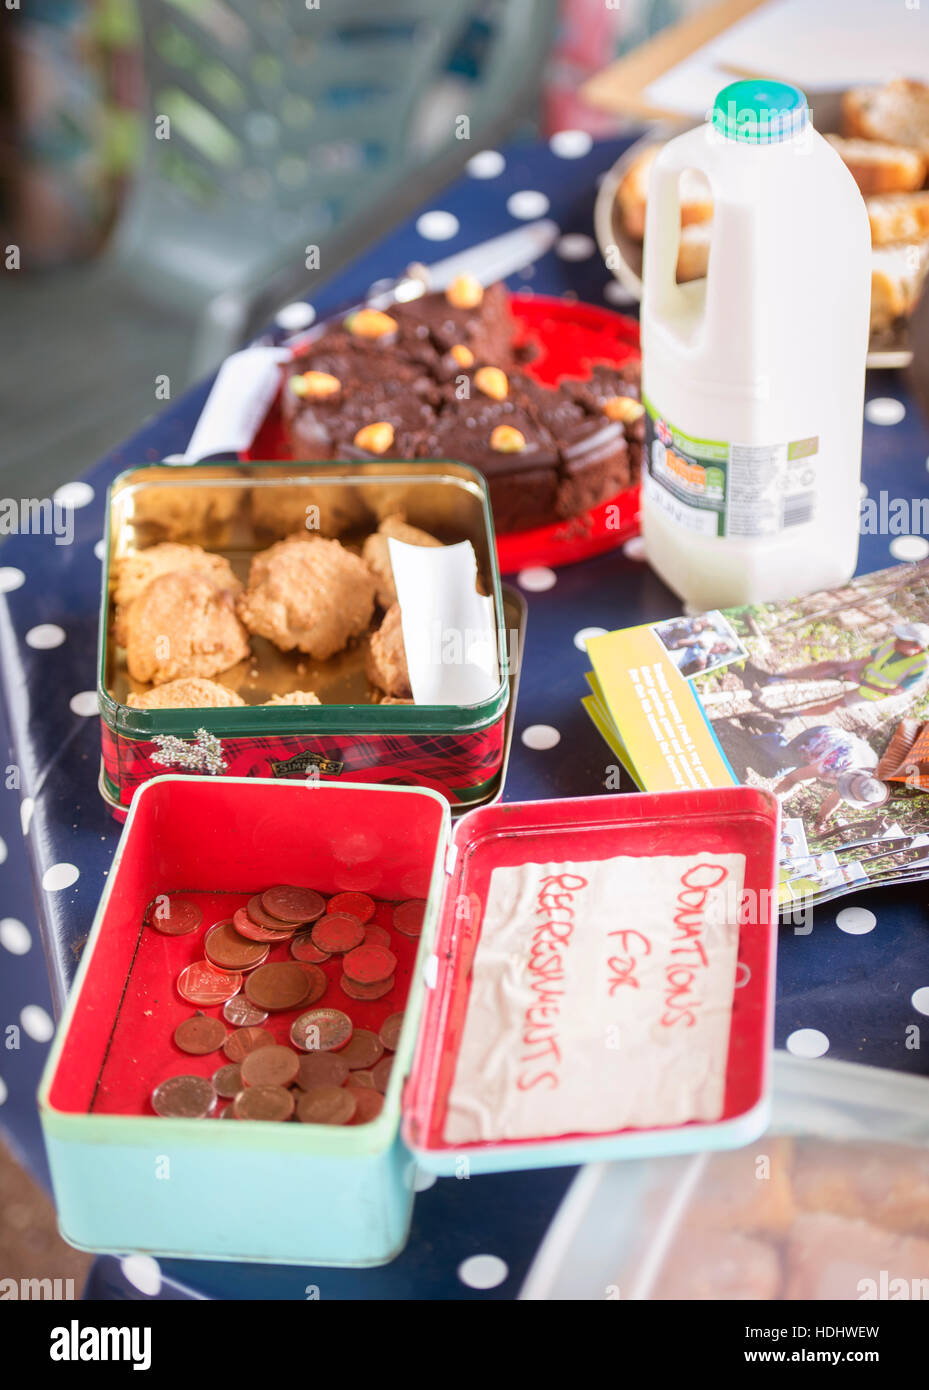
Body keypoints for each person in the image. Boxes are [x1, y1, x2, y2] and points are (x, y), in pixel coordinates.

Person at [784, 622, 929, 716]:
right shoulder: (892, 644)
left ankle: (794, 714)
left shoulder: (921, 666)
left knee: (835, 704)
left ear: (917, 647)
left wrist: (862, 682)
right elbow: (869, 659)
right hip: (862, 677)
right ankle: (779, 677)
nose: (897, 641)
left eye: (903, 640)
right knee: (829, 666)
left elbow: (896, 691)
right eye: (898, 637)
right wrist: (846, 667)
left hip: (873, 693)